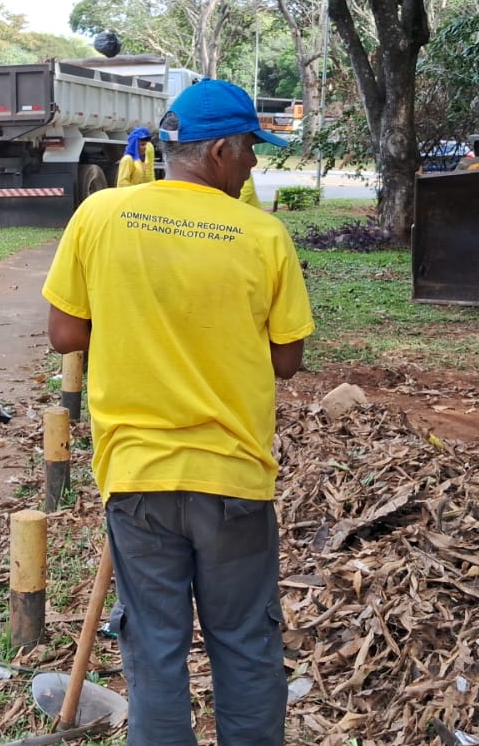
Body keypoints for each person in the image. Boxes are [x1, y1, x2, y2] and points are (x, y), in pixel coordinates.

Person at [42, 78, 315, 746]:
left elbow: (65, 333)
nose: (253, 163)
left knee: (154, 650)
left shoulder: (100, 216)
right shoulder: (262, 234)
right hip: (232, 478)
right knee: (246, 644)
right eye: (251, 148)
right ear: (220, 149)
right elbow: (286, 360)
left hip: (138, 476)